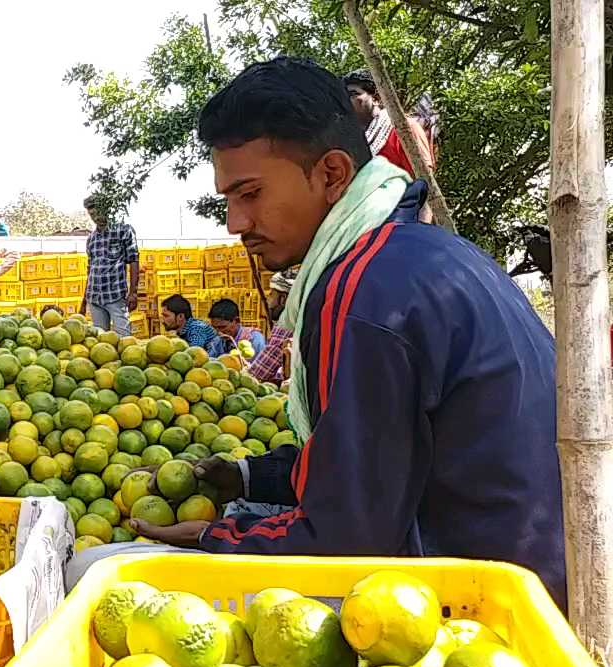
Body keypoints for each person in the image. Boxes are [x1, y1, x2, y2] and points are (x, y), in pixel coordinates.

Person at [105, 57, 566, 607]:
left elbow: (347, 537)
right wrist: (248, 477)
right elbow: (373, 462)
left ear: (331, 174)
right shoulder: (420, 254)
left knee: (102, 573)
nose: (234, 223)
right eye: (228, 199)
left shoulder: (364, 292)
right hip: (531, 569)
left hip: (474, 604)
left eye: (249, 194)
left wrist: (212, 537)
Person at [342, 68, 435, 180]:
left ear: (376, 99)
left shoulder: (404, 128)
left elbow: (424, 179)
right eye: (344, 96)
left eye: (353, 94)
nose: (347, 101)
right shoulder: (353, 140)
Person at [80, 193, 140, 336]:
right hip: (94, 296)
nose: (96, 217)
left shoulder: (123, 230)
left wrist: (133, 292)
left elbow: (134, 260)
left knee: (124, 339)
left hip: (115, 295)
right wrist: (84, 302)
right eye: (92, 215)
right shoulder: (91, 239)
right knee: (100, 342)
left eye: (98, 212)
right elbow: (90, 271)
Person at [246, 269, 296, 383]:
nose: (268, 300)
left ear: (283, 299)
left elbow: (260, 373)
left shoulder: (287, 323)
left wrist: (244, 376)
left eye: (272, 295)